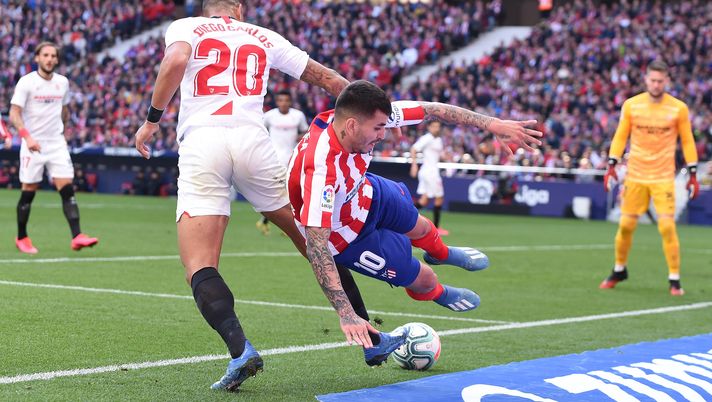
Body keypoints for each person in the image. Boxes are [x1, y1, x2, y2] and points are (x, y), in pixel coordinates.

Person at [133, 0, 373, 393]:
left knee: (199, 264)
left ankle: (240, 349)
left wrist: (150, 121)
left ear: (206, 8)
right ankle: (369, 336)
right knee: (312, 241)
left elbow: (176, 61)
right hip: (253, 141)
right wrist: (375, 117)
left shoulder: (187, 27)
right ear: (239, 9)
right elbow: (330, 80)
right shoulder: (263, 35)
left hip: (204, 141)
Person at [288, 80, 542, 365]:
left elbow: (431, 110)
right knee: (421, 277)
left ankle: (442, 253)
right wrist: (347, 313)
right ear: (351, 127)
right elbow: (316, 246)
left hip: (364, 193)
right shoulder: (322, 172)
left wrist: (493, 124)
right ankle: (438, 291)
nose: (384, 135)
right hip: (346, 236)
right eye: (378, 129)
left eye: (385, 125)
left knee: (421, 226)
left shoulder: (356, 120)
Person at [600, 61, 699, 296]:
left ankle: (674, 278)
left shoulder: (678, 109)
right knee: (625, 226)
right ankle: (619, 269)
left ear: (667, 81)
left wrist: (693, 173)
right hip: (635, 174)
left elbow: (687, 140)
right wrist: (611, 164)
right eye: (652, 80)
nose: (656, 84)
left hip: (663, 175)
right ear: (646, 80)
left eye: (660, 80)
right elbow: (620, 135)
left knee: (666, 226)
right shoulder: (632, 105)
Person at [9, 42, 99, 254]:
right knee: (29, 189)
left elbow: (64, 110)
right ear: (37, 58)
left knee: (66, 187)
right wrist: (26, 137)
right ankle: (22, 237)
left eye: (53, 56)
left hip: (56, 142)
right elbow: (14, 113)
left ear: (57, 59)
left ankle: (77, 236)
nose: (49, 59)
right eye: (45, 55)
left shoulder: (62, 83)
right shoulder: (27, 82)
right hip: (33, 143)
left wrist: (63, 129)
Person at [256, 89, 309, 235]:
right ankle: (280, 223)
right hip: (273, 159)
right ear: (277, 102)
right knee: (280, 192)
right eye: (280, 100)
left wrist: (300, 138)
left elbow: (306, 131)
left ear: (290, 102)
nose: (283, 103)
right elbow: (259, 130)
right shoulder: (270, 116)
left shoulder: (297, 116)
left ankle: (267, 222)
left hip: (291, 158)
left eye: (286, 100)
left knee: (291, 191)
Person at [410, 120, 448, 235]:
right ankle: (436, 228)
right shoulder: (427, 138)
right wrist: (414, 165)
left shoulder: (438, 140)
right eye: (434, 126)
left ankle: (404, 218)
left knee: (424, 200)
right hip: (429, 172)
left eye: (438, 126)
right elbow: (414, 148)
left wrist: (445, 156)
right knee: (439, 197)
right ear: (429, 127)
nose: (436, 128)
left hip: (432, 171)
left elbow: (439, 155)